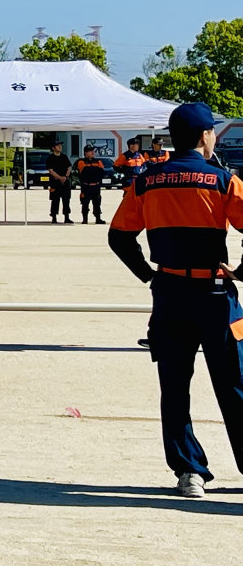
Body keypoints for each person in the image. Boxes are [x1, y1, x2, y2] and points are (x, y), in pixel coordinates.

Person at [108, 102, 243, 499]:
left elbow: (119, 237)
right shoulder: (223, 180)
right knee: (235, 385)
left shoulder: (146, 181)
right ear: (205, 135)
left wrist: (149, 275)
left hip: (169, 295)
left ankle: (189, 472)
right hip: (216, 296)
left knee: (174, 386)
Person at [76, 145, 107, 223]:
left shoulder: (98, 161)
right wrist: (95, 170)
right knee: (85, 203)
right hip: (86, 186)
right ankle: (85, 219)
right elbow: (84, 173)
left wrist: (91, 170)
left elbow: (102, 172)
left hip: (96, 186)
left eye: (93, 151)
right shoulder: (81, 161)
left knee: (97, 203)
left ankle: (98, 218)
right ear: (86, 153)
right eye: (91, 151)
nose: (93, 152)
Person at [46, 141, 74, 224]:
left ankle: (67, 217)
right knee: (55, 200)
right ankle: (54, 217)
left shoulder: (64, 157)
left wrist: (65, 177)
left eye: (60, 145)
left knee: (66, 200)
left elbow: (69, 167)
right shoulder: (50, 158)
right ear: (53, 148)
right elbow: (50, 170)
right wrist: (59, 177)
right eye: (58, 146)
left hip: (65, 182)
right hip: (55, 182)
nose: (60, 147)